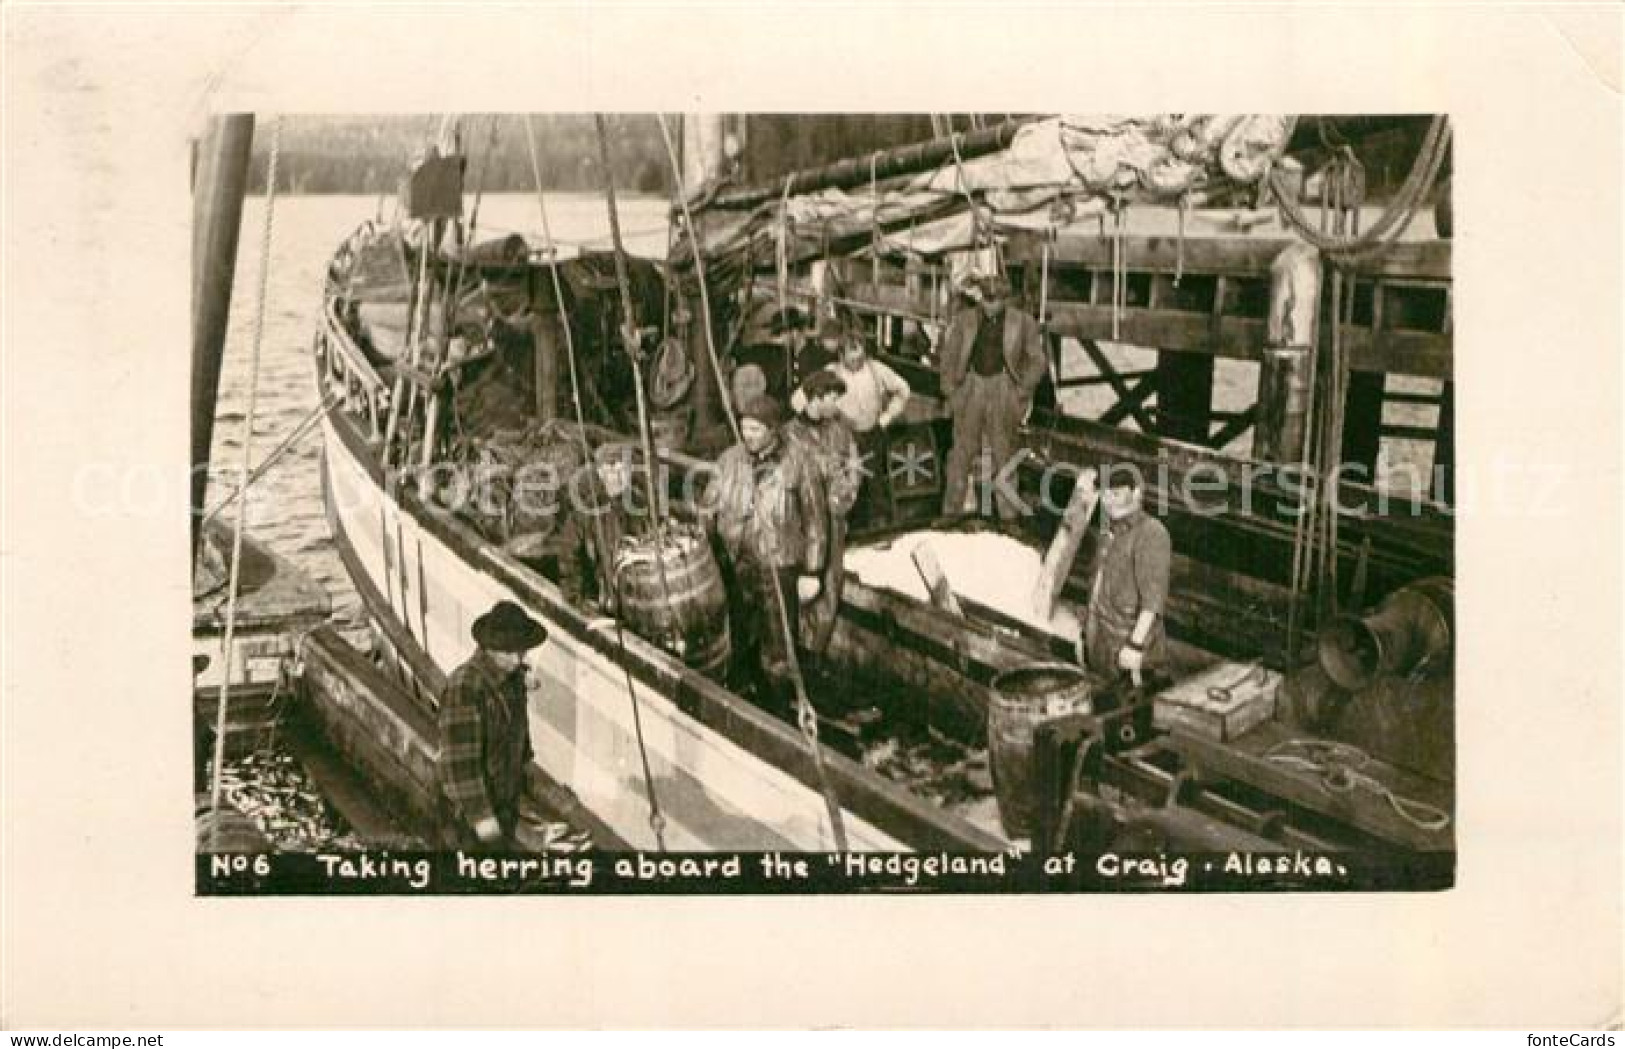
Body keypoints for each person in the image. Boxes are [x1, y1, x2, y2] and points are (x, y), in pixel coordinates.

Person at [705, 394, 828, 712]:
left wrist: (813, 571)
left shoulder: (800, 462)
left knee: (777, 642)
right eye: (744, 428)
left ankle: (775, 707)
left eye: (755, 430)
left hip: (778, 564)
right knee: (738, 633)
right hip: (735, 561)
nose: (748, 435)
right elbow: (708, 506)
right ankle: (739, 696)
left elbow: (816, 520)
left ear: (773, 430)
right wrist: (704, 548)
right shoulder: (730, 459)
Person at [938, 273, 1049, 524]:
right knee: (960, 454)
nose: (990, 304)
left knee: (1005, 454)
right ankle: (950, 512)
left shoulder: (1023, 323)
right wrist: (952, 392)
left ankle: (1009, 518)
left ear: (1005, 299)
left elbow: (1038, 361)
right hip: (972, 385)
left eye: (996, 299)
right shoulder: (964, 320)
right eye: (986, 299)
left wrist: (1020, 391)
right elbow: (948, 358)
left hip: (1003, 387)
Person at [437, 600, 548, 850]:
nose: (519, 659)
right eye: (511, 652)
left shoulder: (514, 681)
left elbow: (521, 746)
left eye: (522, 651)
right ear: (489, 649)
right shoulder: (465, 688)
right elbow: (461, 772)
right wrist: (487, 830)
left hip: (504, 808)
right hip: (468, 821)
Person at [792, 324, 911, 527]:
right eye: (851, 358)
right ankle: (849, 526)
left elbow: (903, 390)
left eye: (859, 357)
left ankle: (878, 525)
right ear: (840, 355)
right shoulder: (831, 373)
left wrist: (887, 417)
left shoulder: (877, 369)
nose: (856, 362)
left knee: (876, 481)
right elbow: (797, 400)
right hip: (842, 438)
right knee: (847, 482)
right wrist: (818, 420)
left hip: (872, 433)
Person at [783, 370, 863, 653]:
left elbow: (854, 468)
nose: (836, 404)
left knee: (830, 588)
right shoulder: (789, 435)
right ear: (816, 398)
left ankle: (815, 653)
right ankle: (794, 649)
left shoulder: (840, 430)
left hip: (834, 523)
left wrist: (846, 496)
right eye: (832, 398)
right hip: (800, 529)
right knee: (798, 590)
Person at [1080, 470, 1173, 702]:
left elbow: (1153, 601)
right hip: (1101, 643)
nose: (1109, 500)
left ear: (1137, 493)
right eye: (1104, 494)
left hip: (1130, 654)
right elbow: (1096, 585)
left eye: (1117, 493)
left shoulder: (1151, 533)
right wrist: (1084, 634)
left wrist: (1135, 645)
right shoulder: (1109, 531)